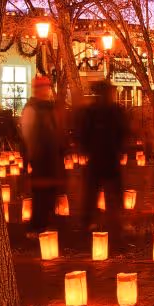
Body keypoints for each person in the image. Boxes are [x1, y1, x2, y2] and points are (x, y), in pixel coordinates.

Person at [74, 79, 126, 237]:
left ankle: (89, 222)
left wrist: (85, 148)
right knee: (109, 194)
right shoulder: (114, 111)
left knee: (92, 193)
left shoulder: (92, 111)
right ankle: (113, 224)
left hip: (98, 158)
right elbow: (122, 132)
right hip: (107, 158)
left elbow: (82, 133)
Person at [20, 76, 69, 233]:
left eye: (48, 88)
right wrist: (30, 156)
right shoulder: (31, 109)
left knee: (50, 194)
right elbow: (27, 135)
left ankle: (45, 224)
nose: (47, 91)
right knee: (41, 196)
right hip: (41, 159)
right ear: (37, 90)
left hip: (52, 158)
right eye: (44, 88)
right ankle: (36, 227)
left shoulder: (49, 107)